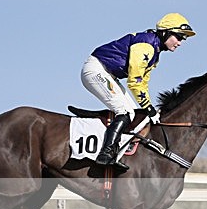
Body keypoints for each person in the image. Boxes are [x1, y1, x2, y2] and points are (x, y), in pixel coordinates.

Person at [80, 13, 196, 170]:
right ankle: (105, 154)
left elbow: (143, 83)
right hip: (96, 70)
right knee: (125, 112)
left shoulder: (155, 53)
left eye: (183, 39)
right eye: (179, 37)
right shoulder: (146, 46)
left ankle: (114, 152)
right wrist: (149, 108)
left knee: (133, 114)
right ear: (165, 32)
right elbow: (135, 82)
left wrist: (149, 108)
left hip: (108, 74)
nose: (180, 42)